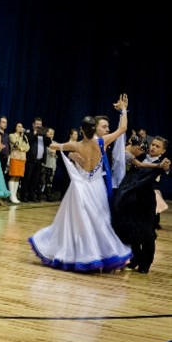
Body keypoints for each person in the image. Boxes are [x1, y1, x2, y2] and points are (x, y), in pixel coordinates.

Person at [28, 94, 132, 272]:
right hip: (97, 187)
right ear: (94, 129)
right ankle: (98, 254)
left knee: (76, 222)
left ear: (82, 130)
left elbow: (54, 146)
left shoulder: (76, 145)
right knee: (99, 222)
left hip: (81, 188)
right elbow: (123, 129)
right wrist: (123, 110)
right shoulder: (102, 142)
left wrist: (45, 138)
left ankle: (77, 254)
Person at [112, 136, 169, 274]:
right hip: (131, 201)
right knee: (132, 231)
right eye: (153, 145)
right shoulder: (141, 157)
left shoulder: (163, 163)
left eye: (157, 146)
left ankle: (146, 264)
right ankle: (135, 259)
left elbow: (167, 170)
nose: (153, 147)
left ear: (163, 151)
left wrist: (166, 168)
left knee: (147, 234)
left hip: (146, 203)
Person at [7, 122, 30, 203]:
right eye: (19, 126)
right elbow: (16, 144)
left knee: (18, 177)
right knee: (13, 175)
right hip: (15, 157)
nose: (20, 128)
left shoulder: (25, 137)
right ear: (15, 127)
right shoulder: (12, 135)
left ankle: (15, 194)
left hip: (22, 158)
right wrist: (21, 147)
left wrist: (22, 148)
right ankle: (11, 195)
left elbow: (27, 147)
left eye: (21, 126)